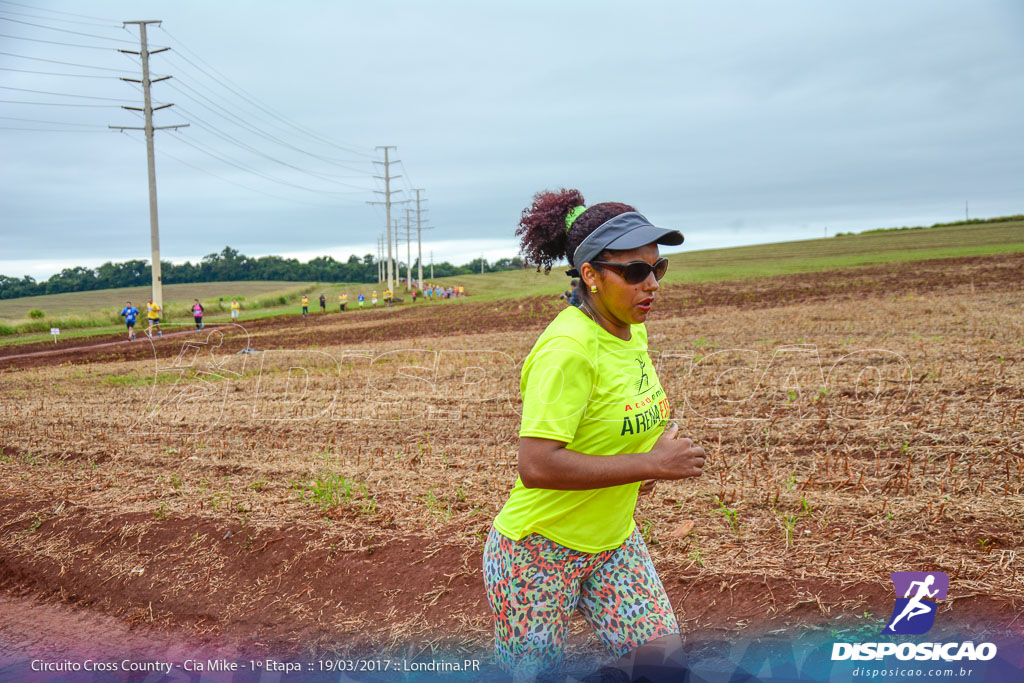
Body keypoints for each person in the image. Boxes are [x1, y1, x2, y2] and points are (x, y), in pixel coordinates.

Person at [483, 188, 705, 682]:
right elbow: (536, 465)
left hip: (614, 542)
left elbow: (612, 425)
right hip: (537, 553)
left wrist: (641, 459)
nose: (651, 283)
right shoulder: (567, 350)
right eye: (634, 272)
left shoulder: (630, 328)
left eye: (657, 268)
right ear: (591, 275)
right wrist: (651, 465)